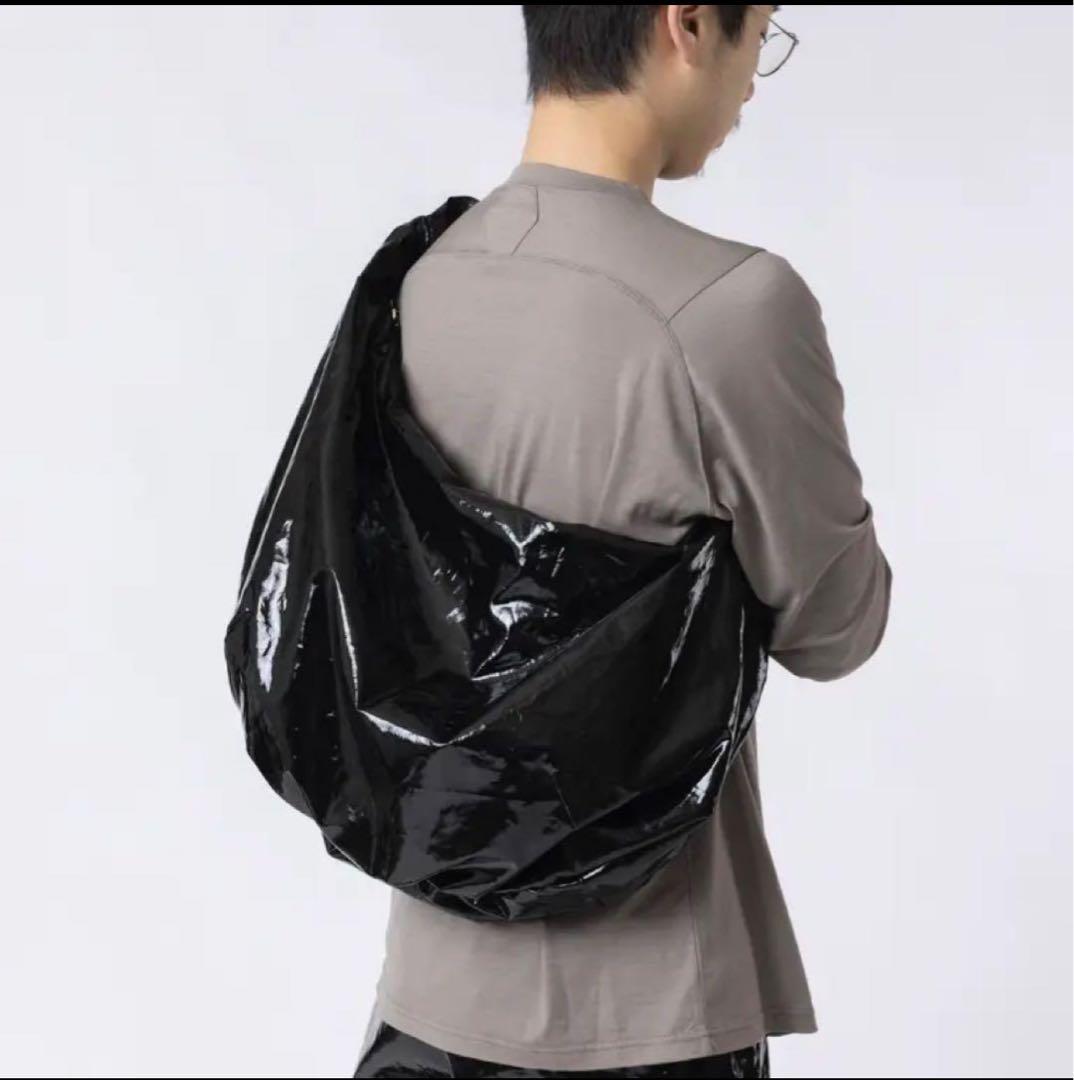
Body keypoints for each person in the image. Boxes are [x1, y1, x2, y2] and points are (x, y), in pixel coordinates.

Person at [354, 5, 893, 1077]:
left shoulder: (416, 283)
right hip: (652, 1011)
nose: (754, 76)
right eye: (761, 35)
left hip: (430, 1000)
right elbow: (837, 629)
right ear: (687, 23)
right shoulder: (733, 309)